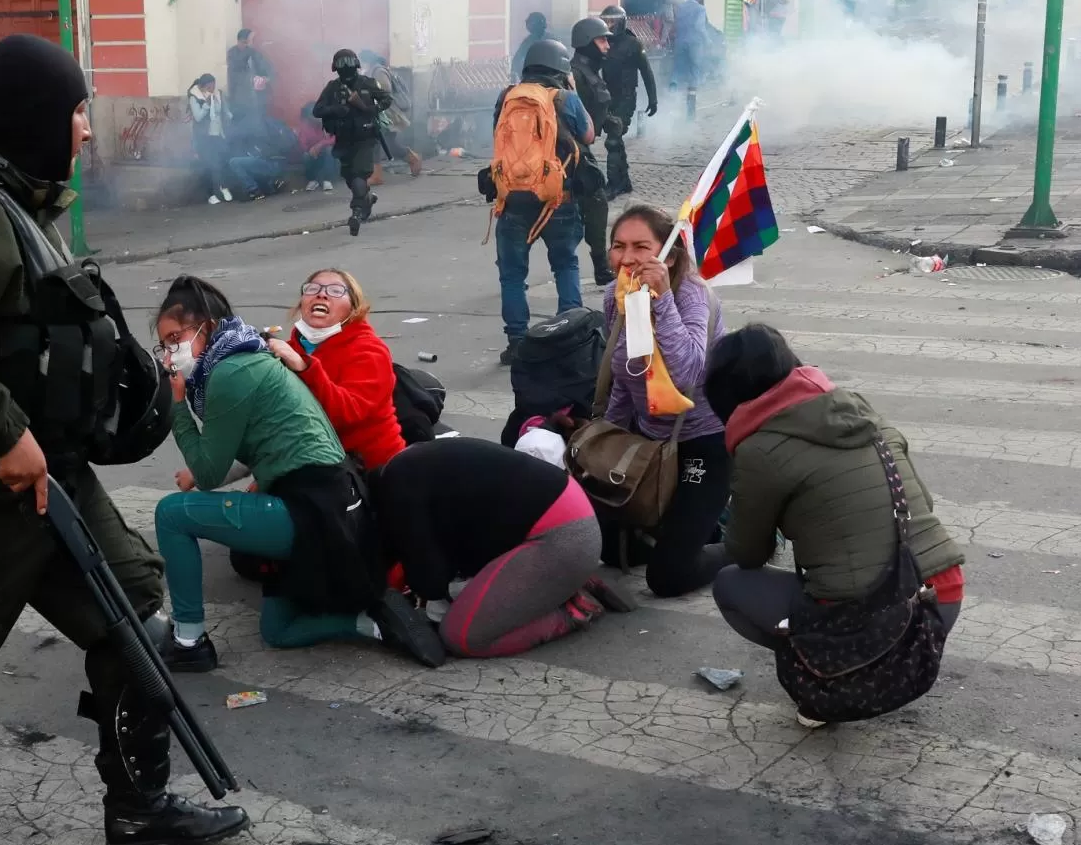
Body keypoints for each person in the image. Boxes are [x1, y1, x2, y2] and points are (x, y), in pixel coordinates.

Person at [0, 33, 248, 845]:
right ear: (38, 116)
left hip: (52, 478)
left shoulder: (15, 195)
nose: (83, 129)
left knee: (136, 622)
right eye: (77, 111)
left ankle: (138, 807)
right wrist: (4, 436)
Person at [151, 274, 444, 670]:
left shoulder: (230, 373)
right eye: (165, 344)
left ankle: (189, 641)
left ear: (208, 326)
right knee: (279, 630)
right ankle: (374, 623)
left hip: (314, 506)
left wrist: (178, 405)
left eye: (175, 338)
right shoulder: (246, 355)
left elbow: (206, 471)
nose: (171, 353)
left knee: (172, 514)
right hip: (329, 501)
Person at [704, 324, 966, 724]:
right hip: (940, 597)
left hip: (866, 618)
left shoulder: (759, 449)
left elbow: (747, 553)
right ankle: (879, 664)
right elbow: (922, 505)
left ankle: (828, 676)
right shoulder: (861, 411)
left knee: (731, 584)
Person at [371, 438, 621, 658]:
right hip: (566, 516)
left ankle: (572, 611)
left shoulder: (398, 492)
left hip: (561, 537)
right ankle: (564, 578)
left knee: (463, 636)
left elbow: (430, 582)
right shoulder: (406, 466)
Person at [596, 204, 729, 596]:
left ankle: (741, 541)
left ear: (668, 255)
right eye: (619, 246)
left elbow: (687, 374)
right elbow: (623, 374)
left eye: (641, 246)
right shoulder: (616, 296)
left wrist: (662, 299)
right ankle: (695, 524)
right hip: (648, 439)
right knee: (609, 548)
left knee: (669, 575)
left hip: (702, 441)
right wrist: (608, 436)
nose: (627, 257)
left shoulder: (693, 296)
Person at [489, 38, 596, 366]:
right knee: (565, 265)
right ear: (561, 67)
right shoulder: (566, 98)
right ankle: (570, 337)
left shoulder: (507, 96)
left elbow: (497, 134)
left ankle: (517, 342)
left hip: (512, 200)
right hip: (557, 200)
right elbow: (589, 135)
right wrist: (572, 91)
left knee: (511, 275)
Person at [271, 268, 406, 470]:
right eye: (312, 288)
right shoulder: (292, 347)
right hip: (310, 462)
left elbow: (345, 414)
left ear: (353, 308)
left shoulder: (370, 350)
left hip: (372, 470)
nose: (321, 294)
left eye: (335, 291)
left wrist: (303, 367)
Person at [313, 49, 392, 236]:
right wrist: (336, 109)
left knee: (359, 175)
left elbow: (387, 99)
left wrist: (371, 109)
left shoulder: (367, 83)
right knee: (349, 176)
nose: (346, 69)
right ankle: (367, 198)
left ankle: (356, 213)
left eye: (348, 65)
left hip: (365, 139)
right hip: (343, 140)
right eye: (342, 66)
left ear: (356, 65)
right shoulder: (332, 87)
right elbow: (318, 110)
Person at [569, 16, 617, 286]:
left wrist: (607, 120)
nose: (607, 46)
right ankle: (600, 265)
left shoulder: (589, 71)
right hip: (572, 148)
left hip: (581, 145)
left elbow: (592, 105)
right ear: (587, 43)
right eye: (601, 40)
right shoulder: (575, 73)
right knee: (595, 201)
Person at [599, 6, 656, 198]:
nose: (609, 25)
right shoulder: (603, 43)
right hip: (608, 98)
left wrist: (653, 99)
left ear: (621, 22)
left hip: (626, 98)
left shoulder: (633, 43)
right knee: (615, 139)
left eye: (613, 21)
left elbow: (646, 72)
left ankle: (614, 184)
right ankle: (624, 182)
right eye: (606, 21)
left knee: (613, 138)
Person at [360, 49, 423, 181]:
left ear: (367, 60)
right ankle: (413, 158)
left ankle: (376, 175)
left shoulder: (378, 71)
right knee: (390, 145)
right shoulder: (375, 70)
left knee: (376, 142)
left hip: (387, 114)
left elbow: (385, 89)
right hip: (383, 113)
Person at [226, 111, 296, 201]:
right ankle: (273, 183)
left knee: (234, 162)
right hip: (277, 163)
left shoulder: (264, 129)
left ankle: (254, 190)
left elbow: (270, 150)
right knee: (247, 163)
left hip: (272, 163)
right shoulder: (269, 126)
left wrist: (259, 153)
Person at [188, 74, 234, 205]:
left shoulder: (218, 94)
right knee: (209, 165)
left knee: (222, 161)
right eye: (209, 86)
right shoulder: (195, 97)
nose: (212, 88)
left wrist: (231, 116)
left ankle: (223, 187)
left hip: (218, 134)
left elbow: (224, 111)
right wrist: (206, 105)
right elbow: (198, 117)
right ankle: (211, 194)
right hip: (204, 137)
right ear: (203, 86)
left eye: (214, 85)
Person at [670, 0, 712, 92]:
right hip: (695, 42)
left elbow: (676, 22)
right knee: (695, 66)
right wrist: (707, 39)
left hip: (680, 40)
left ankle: (672, 87)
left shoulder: (681, 7)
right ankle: (692, 93)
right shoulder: (700, 9)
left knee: (678, 65)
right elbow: (699, 26)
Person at [226, 28, 272, 121]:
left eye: (249, 42)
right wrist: (251, 79)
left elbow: (265, 68)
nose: (248, 44)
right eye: (245, 42)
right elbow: (235, 73)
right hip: (239, 97)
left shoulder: (253, 52)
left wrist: (265, 78)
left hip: (255, 97)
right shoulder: (232, 53)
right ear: (240, 41)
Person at [297, 102, 338, 191]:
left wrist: (320, 145)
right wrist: (310, 150)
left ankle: (327, 180)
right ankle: (312, 180)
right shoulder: (305, 126)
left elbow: (335, 138)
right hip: (313, 154)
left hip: (327, 154)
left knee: (329, 150)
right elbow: (302, 144)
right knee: (305, 156)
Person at [510, 12, 559, 81]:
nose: (529, 25)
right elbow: (517, 59)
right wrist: (515, 73)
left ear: (539, 24)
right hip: (532, 78)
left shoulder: (551, 40)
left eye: (531, 22)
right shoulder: (528, 40)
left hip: (549, 78)